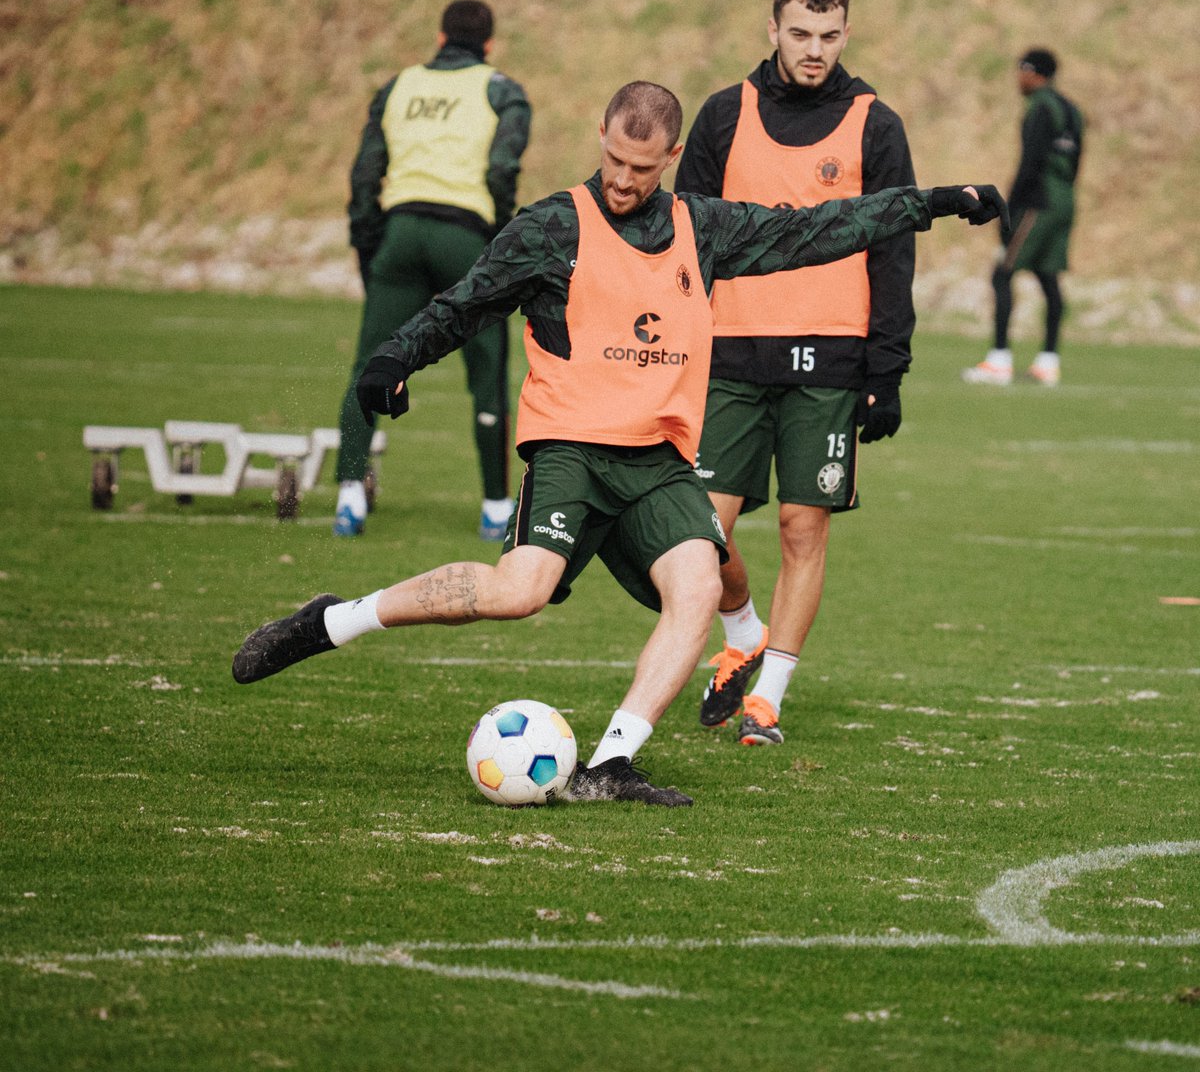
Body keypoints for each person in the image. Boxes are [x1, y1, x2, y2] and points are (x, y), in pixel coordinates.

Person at [233, 81, 1006, 807]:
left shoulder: (703, 227)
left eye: (641, 168)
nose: (624, 179)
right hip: (571, 450)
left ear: (669, 159)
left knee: (697, 586)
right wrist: (392, 362)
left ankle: (608, 764)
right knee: (518, 593)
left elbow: (819, 228)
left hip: (656, 464)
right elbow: (466, 304)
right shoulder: (553, 226)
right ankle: (334, 620)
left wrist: (933, 203)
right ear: (599, 136)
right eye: (614, 160)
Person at [674, 0, 917, 747]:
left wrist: (887, 370)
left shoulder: (875, 124)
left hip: (832, 360)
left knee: (801, 529)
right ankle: (741, 630)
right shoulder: (721, 116)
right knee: (700, 536)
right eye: (801, 34)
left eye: (830, 36)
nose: (815, 50)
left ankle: (767, 696)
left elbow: (893, 251)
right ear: (772, 30)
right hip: (731, 356)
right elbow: (684, 247)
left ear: (847, 33)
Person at [339, 0, 532, 539]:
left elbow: (364, 175)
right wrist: (499, 239)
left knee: (371, 362)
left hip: (399, 233)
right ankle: (495, 505)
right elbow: (502, 168)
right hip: (464, 235)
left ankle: (350, 494)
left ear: (441, 37)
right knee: (486, 373)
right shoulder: (501, 89)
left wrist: (369, 246)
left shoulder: (398, 86)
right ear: (489, 44)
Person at [963, 48, 1084, 387]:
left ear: (1035, 73)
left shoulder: (1040, 108)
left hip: (1038, 201)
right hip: (1065, 200)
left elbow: (1030, 162)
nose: (1018, 77)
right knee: (1048, 277)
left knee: (1002, 273)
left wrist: (1009, 210)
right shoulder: (1071, 110)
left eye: (1022, 70)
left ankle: (999, 360)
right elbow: (1075, 164)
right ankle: (1049, 362)